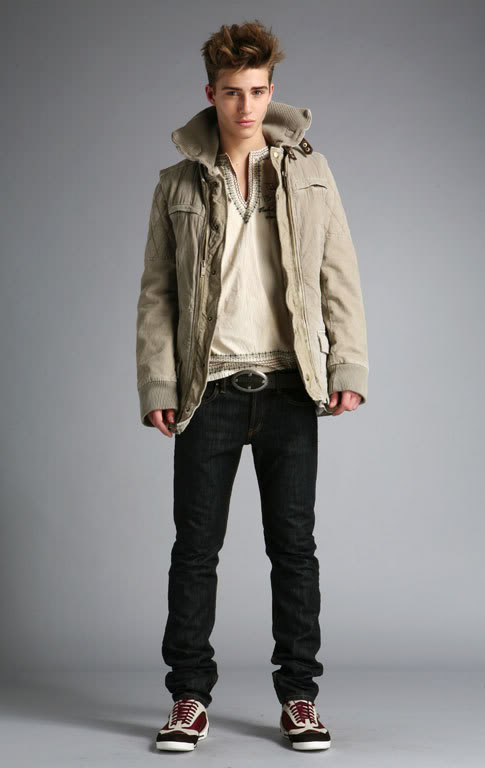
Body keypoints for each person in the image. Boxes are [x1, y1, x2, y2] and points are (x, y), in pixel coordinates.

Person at [135, 19, 369, 753]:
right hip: (206, 388)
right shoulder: (176, 183)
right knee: (194, 550)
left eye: (258, 91)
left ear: (272, 90)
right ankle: (188, 699)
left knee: (293, 548)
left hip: (289, 385)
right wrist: (157, 382)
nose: (246, 106)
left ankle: (299, 697)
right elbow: (157, 294)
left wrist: (347, 367)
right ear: (210, 93)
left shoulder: (310, 172)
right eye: (233, 92)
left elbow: (338, 274)